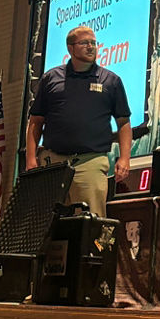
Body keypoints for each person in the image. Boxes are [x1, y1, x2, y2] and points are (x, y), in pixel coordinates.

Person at [26, 25, 131, 218]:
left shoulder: (111, 81)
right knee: (46, 222)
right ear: (70, 48)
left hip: (90, 162)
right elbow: (36, 122)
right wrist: (31, 160)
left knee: (90, 223)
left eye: (94, 43)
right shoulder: (51, 79)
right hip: (52, 163)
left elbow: (123, 122)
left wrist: (124, 158)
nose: (91, 47)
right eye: (85, 43)